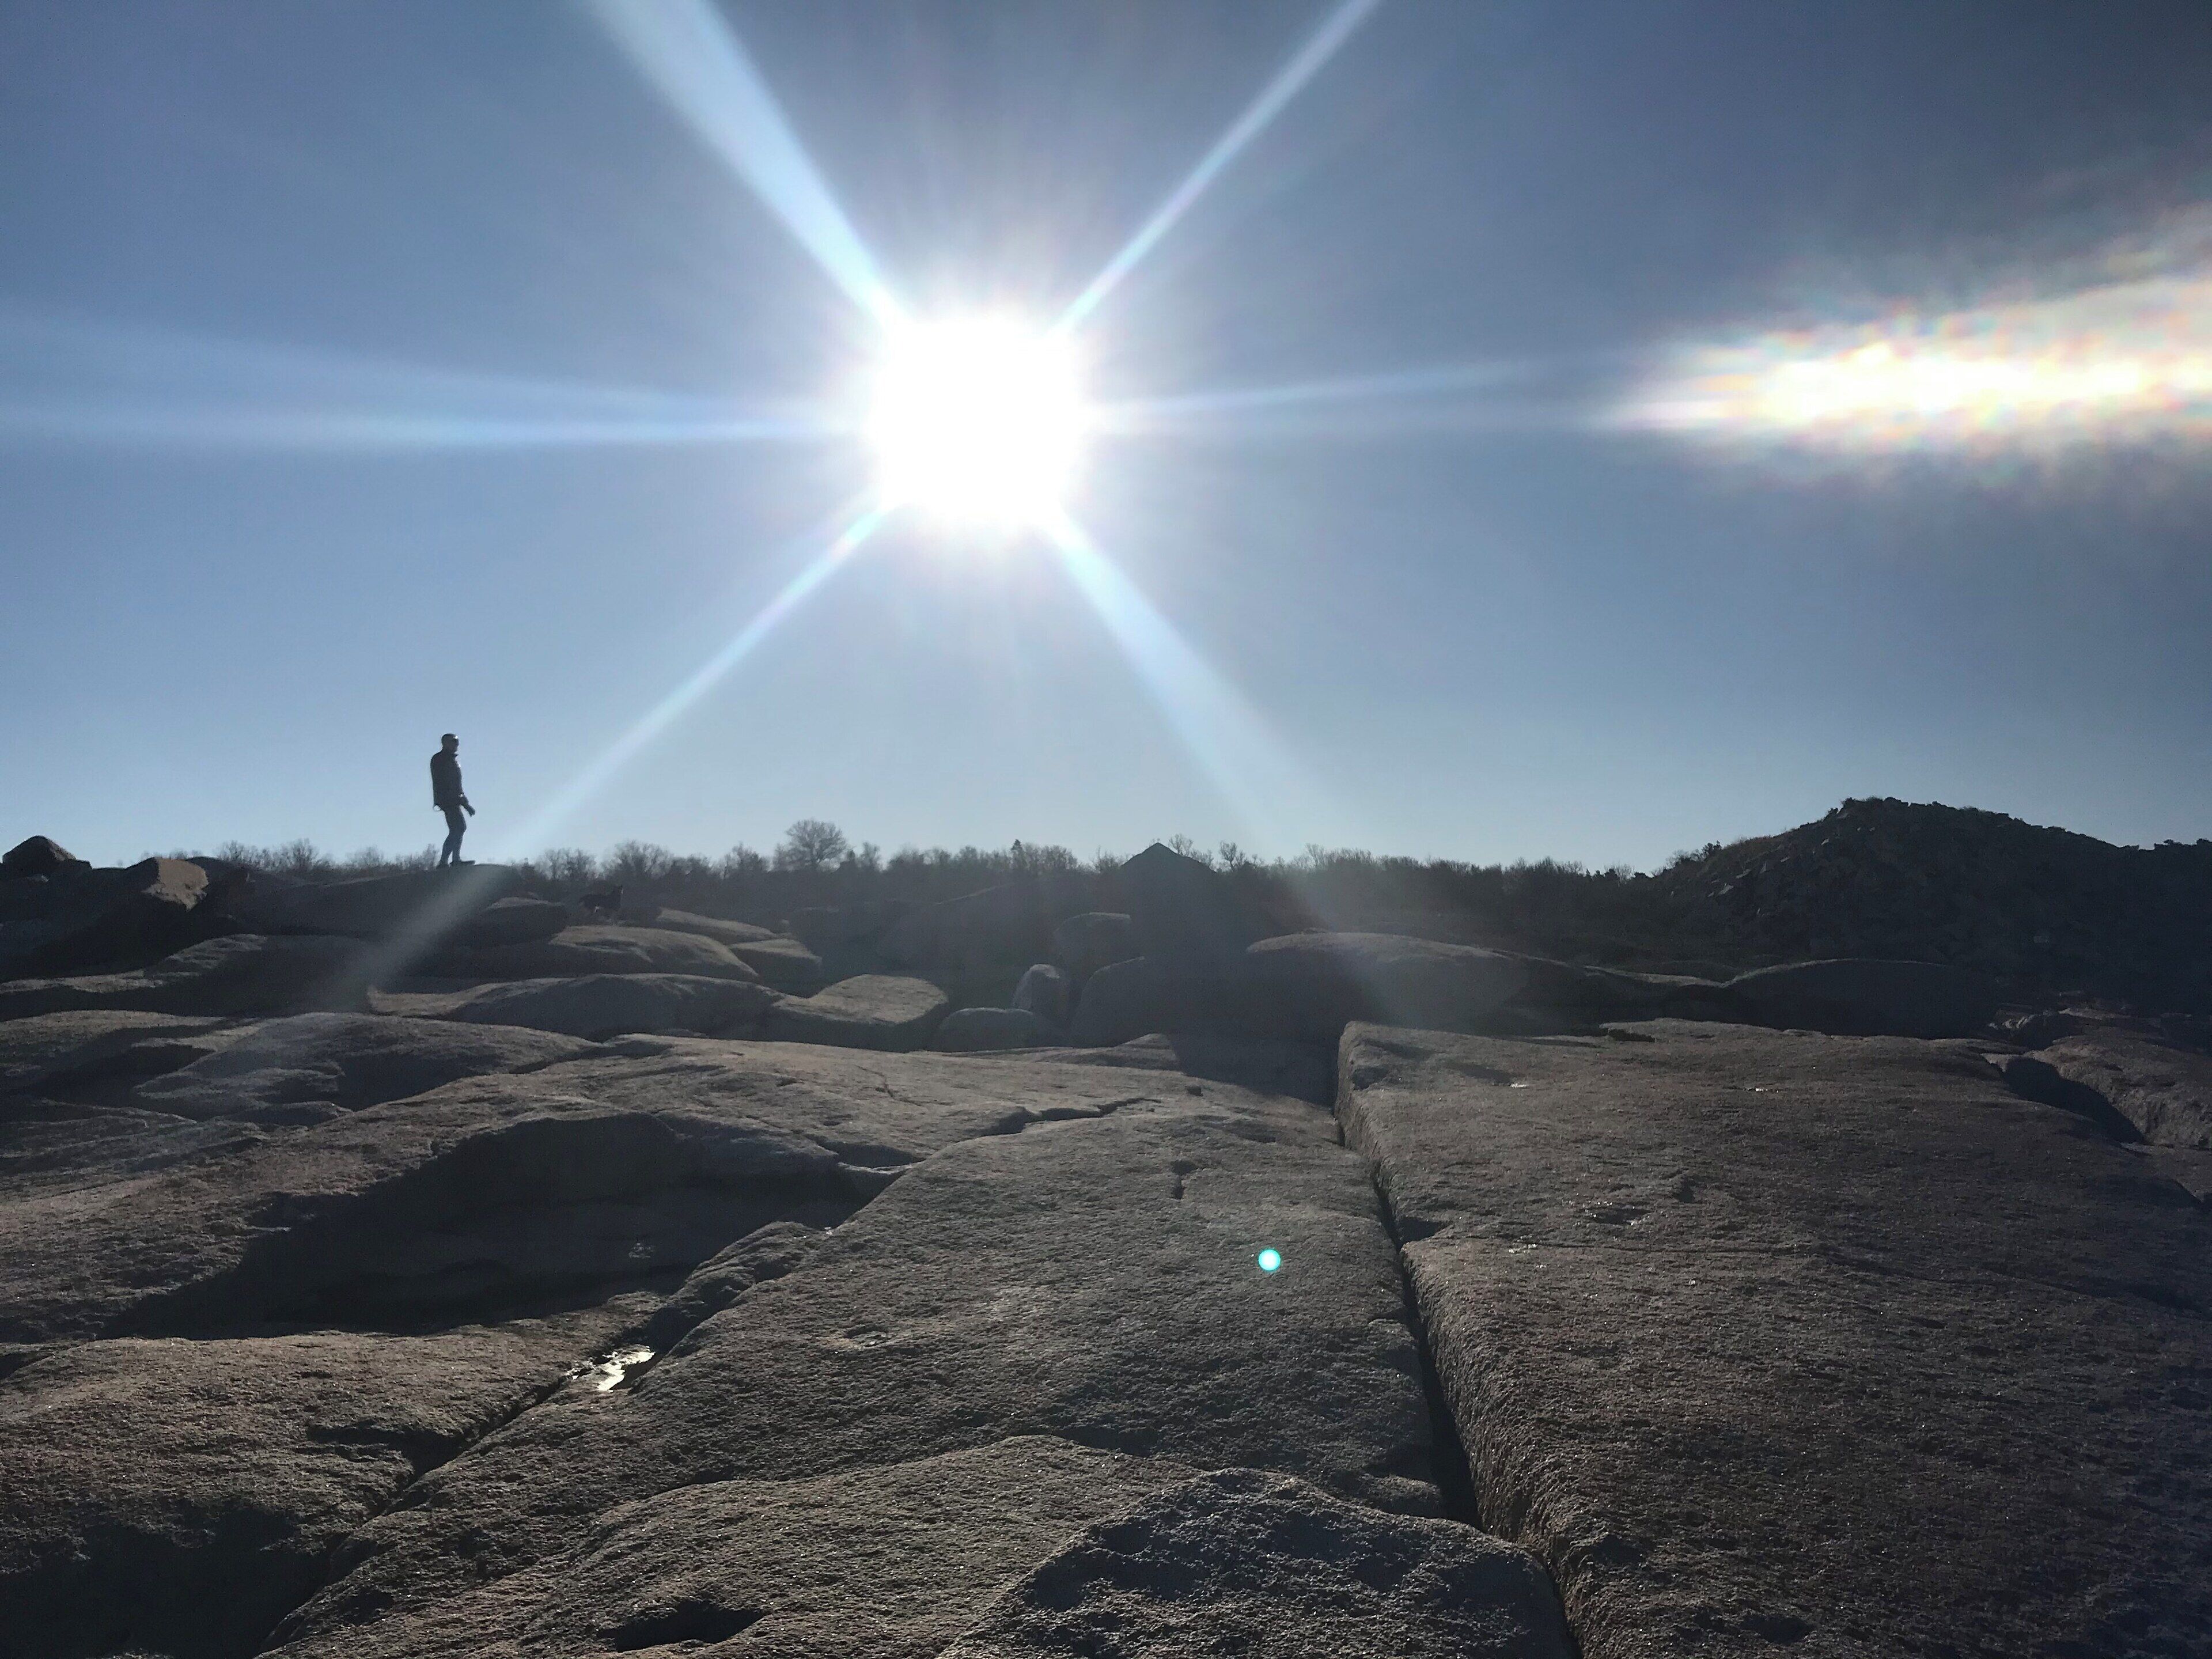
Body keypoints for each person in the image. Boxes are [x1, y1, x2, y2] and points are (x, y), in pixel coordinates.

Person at [431, 733, 475, 866]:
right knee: (458, 828)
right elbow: (449, 783)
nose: (457, 745)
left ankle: (454, 859)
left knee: (459, 828)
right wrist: (463, 803)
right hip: (448, 800)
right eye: (454, 742)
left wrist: (465, 803)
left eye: (457, 742)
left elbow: (458, 785)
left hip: (453, 799)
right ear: (446, 743)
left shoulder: (451, 760)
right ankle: (446, 861)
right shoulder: (442, 759)